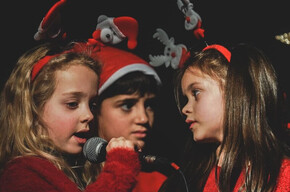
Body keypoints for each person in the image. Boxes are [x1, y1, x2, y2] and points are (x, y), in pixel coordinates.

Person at [0, 42, 142, 192]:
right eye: (72, 104)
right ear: (33, 110)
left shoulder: (77, 171)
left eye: (92, 105)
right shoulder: (22, 173)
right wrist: (119, 168)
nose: (89, 115)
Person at [158, 43, 290, 192]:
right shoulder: (187, 180)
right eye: (186, 99)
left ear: (236, 91)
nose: (185, 109)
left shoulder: (282, 177)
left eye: (195, 93)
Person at [87, 44, 169, 192]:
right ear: (94, 108)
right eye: (127, 105)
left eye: (149, 105)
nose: (143, 118)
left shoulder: (159, 183)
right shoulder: (60, 174)